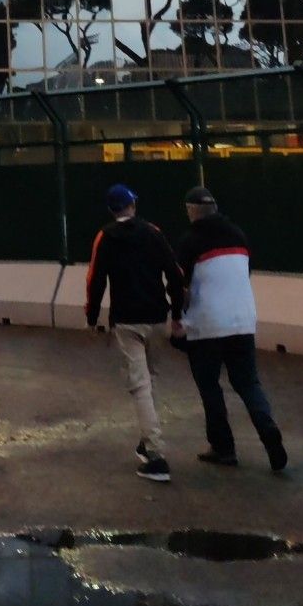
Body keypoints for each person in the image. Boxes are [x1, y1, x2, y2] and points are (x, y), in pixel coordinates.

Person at [174, 183, 288, 473]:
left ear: (191, 211)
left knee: (210, 386)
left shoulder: (189, 242)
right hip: (242, 321)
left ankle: (223, 448)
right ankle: (267, 427)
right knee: (248, 383)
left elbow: (180, 287)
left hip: (206, 326)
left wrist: (177, 319)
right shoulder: (239, 235)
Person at [84, 182, 185, 483]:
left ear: (111, 210)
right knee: (150, 380)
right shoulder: (153, 232)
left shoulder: (105, 237)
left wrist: (92, 318)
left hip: (127, 320)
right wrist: (177, 314)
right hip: (156, 316)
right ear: (132, 206)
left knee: (139, 386)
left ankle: (156, 455)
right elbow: (175, 274)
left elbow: (96, 280)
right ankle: (146, 439)